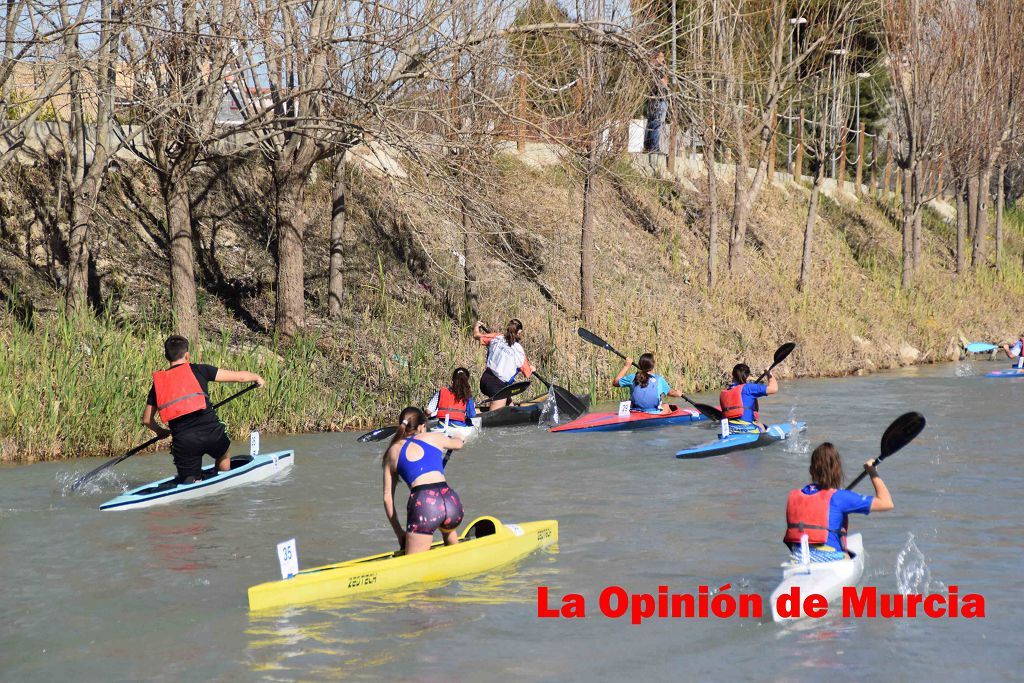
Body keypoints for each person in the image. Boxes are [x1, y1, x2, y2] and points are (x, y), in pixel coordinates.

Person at [142, 335, 265, 484]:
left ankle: (193, 482)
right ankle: (224, 480)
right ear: (187, 355)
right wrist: (257, 377)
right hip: (212, 434)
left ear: (166, 356)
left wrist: (160, 431)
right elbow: (239, 377)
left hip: (184, 442)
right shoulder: (200, 370)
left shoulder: (158, 385)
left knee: (189, 481)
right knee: (224, 453)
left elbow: (147, 420)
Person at [784, 442, 894, 561]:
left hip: (798, 556)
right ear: (837, 471)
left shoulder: (797, 494)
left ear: (811, 470)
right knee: (847, 556)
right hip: (825, 557)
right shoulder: (840, 497)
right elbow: (886, 503)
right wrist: (872, 472)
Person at [382, 407, 466, 554]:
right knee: (451, 542)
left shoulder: (392, 451)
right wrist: (459, 435)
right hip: (450, 500)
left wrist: (399, 532)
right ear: (421, 427)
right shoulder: (435, 437)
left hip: (425, 504)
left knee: (412, 566)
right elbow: (458, 444)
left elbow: (387, 498)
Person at [473, 319, 534, 410]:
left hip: (485, 379)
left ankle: (514, 412)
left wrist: (476, 326)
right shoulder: (519, 351)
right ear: (519, 332)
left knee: (510, 404)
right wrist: (532, 368)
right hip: (498, 386)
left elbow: (476, 335)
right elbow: (527, 374)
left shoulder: (496, 337)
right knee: (494, 418)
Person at [612, 353, 682, 414]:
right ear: (653, 365)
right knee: (666, 406)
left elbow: (615, 382)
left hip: (635, 412)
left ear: (639, 365)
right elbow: (671, 393)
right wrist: (678, 393)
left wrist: (626, 366)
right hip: (653, 413)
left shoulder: (632, 377)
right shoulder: (659, 379)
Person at [719, 363, 778, 433]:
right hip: (746, 429)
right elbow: (774, 388)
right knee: (760, 424)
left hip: (729, 430)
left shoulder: (725, 392)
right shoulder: (749, 388)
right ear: (747, 376)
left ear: (733, 375)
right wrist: (768, 373)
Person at [643, 49, 669, 154]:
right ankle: (654, 147)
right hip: (658, 98)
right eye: (661, 57)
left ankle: (648, 146)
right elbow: (664, 83)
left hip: (655, 98)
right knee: (657, 122)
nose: (663, 60)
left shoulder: (653, 69)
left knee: (652, 122)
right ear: (656, 58)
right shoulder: (656, 70)